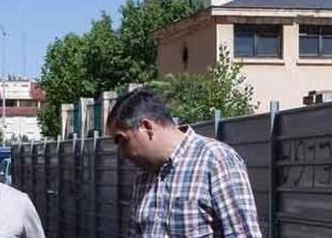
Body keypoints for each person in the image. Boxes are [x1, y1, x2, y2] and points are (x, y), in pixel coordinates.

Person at [107, 87, 262, 237]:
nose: (121, 152)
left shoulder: (215, 160)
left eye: (122, 140)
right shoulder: (144, 177)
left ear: (147, 127)